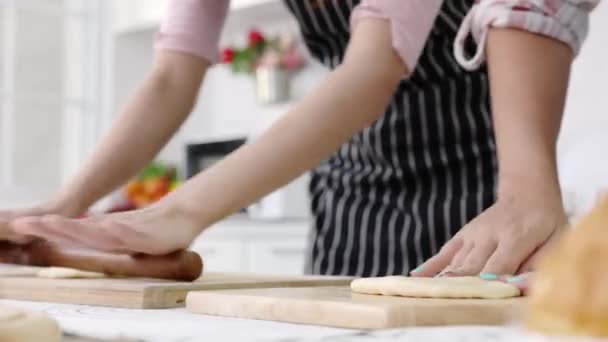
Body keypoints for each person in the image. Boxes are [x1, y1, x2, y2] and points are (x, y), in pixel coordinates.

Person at [0, 0, 600, 279]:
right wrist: (63, 207)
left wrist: (181, 210)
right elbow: (168, 78)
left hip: (474, 184)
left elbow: (372, 69)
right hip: (351, 190)